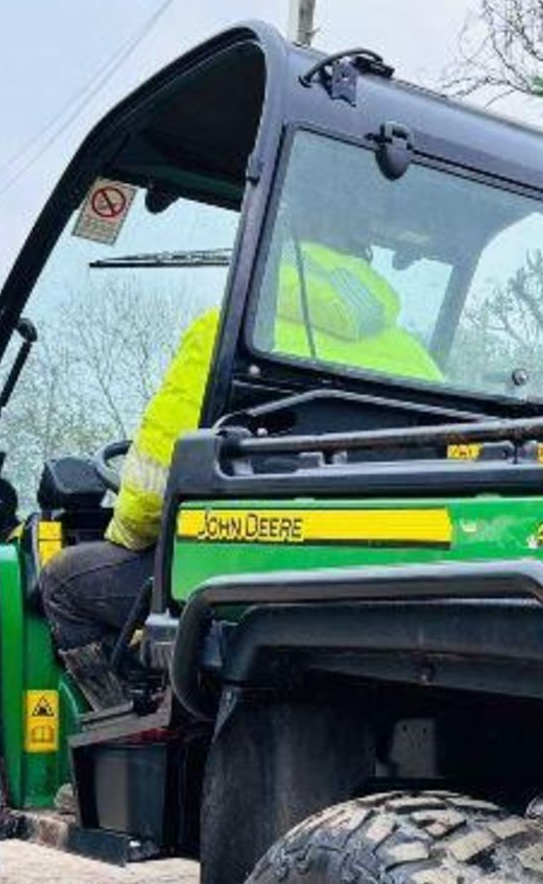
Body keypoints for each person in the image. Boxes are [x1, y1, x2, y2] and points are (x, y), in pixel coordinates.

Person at [38, 228, 442, 711]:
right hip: (383, 579)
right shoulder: (418, 360)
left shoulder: (227, 333)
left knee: (63, 581)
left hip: (238, 577)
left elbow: (150, 489)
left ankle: (128, 728)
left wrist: (125, 531)